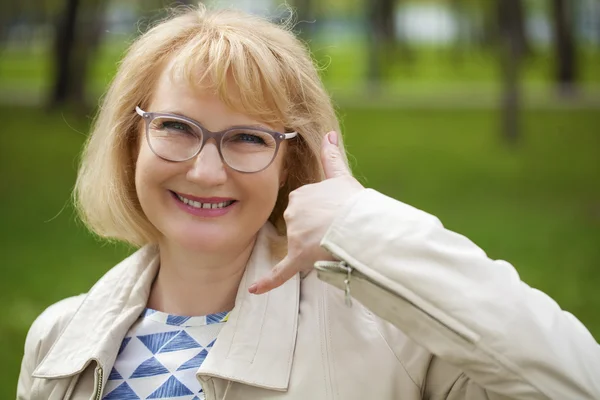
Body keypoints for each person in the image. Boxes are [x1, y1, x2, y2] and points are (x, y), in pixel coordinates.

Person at [17, 5, 600, 400]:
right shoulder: (59, 337)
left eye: (248, 138)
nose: (205, 169)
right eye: (175, 126)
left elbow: (578, 381)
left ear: (290, 165)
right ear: (130, 140)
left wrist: (365, 227)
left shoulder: (395, 338)